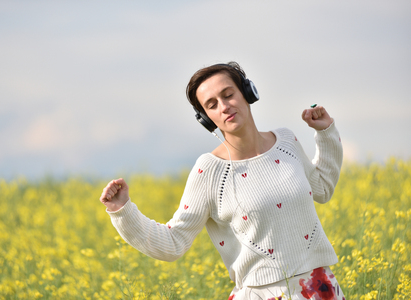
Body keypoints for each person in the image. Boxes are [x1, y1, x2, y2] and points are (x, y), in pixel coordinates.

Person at [100, 62, 344, 300]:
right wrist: (122, 210)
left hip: (321, 287)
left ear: (248, 93)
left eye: (228, 94)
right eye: (212, 104)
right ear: (206, 118)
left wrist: (326, 133)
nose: (224, 106)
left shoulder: (287, 141)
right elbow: (174, 242)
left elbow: (322, 188)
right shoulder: (209, 170)